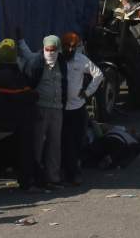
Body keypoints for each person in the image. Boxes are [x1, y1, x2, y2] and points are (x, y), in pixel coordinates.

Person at [20, 35, 68, 188]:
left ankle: (53, 177)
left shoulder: (61, 62)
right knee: (37, 144)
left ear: (58, 49)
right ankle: (35, 176)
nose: (50, 53)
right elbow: (28, 85)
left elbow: (64, 83)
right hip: (41, 108)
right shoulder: (37, 62)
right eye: (47, 50)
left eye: (53, 50)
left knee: (55, 144)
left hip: (57, 109)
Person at [0, 39, 37, 191]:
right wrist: (34, 94)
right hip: (19, 119)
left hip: (4, 119)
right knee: (25, 151)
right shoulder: (11, 74)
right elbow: (23, 94)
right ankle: (27, 182)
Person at [60, 32, 103, 186]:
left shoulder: (81, 60)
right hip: (61, 109)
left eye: (73, 47)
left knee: (77, 141)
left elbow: (98, 75)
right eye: (67, 46)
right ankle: (68, 173)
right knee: (65, 142)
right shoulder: (57, 59)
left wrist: (87, 93)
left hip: (78, 108)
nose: (70, 50)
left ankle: (74, 171)